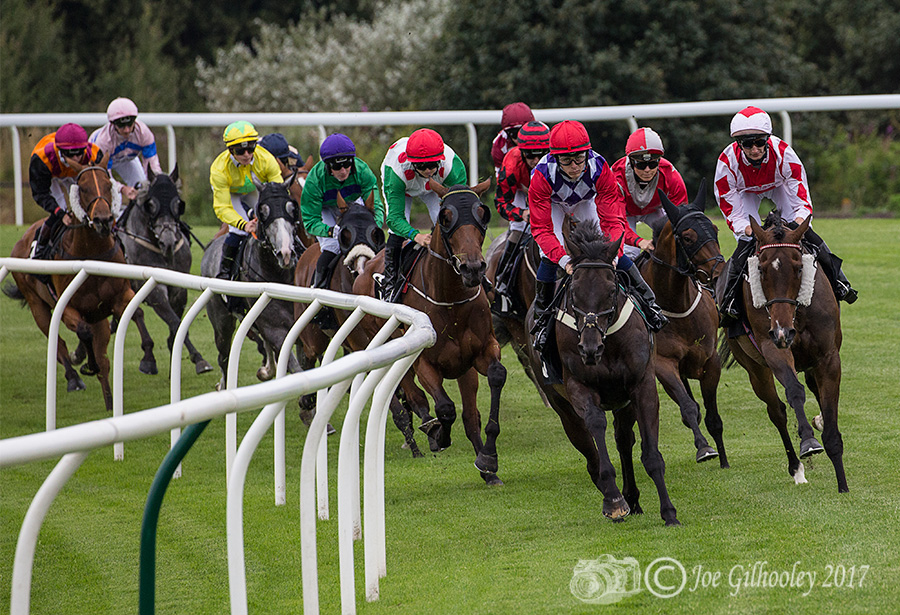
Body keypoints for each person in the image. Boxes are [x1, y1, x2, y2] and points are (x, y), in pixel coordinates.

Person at [529, 120, 668, 351]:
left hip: (586, 201)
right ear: (555, 158)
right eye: (566, 160)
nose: (574, 166)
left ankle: (650, 305)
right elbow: (542, 230)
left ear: (587, 153)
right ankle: (542, 322)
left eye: (579, 159)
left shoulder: (600, 167)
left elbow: (613, 220)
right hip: (553, 203)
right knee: (547, 255)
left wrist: (613, 254)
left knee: (605, 248)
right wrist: (565, 261)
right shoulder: (541, 176)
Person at [715, 106, 858, 325]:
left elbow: (801, 198)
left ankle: (839, 280)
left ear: (768, 139)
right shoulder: (726, 163)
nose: (754, 149)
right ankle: (729, 301)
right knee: (747, 241)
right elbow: (731, 209)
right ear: (738, 144)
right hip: (745, 194)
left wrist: (797, 225)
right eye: (747, 144)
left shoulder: (784, 154)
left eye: (760, 142)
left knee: (805, 233)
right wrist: (749, 229)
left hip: (779, 186)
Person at [379, 128, 468, 301]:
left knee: (449, 222)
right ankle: (389, 283)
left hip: (437, 187)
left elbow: (460, 208)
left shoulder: (452, 167)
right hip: (404, 188)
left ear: (440, 160)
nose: (428, 171)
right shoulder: (395, 171)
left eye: (433, 165)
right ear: (413, 164)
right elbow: (394, 219)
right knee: (396, 232)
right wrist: (416, 236)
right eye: (422, 166)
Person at [300, 133, 384, 291]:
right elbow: (310, 222)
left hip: (355, 205)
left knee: (374, 242)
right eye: (337, 167)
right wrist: (331, 231)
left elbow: (377, 207)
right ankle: (318, 286)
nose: (343, 171)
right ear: (327, 166)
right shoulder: (314, 180)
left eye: (347, 164)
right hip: (326, 209)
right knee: (332, 246)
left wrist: (373, 228)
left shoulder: (363, 171)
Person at [209, 120, 282, 280]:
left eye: (251, 149)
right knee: (239, 229)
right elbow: (222, 208)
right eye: (240, 151)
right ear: (230, 150)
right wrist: (244, 224)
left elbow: (279, 192)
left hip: (253, 189)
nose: (247, 155)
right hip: (232, 193)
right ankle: (225, 272)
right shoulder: (219, 169)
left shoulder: (266, 159)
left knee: (276, 219)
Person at [28, 123, 106, 261]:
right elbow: (40, 194)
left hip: (78, 173)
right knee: (62, 211)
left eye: (79, 153)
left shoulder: (94, 155)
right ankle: (38, 250)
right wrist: (59, 212)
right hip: (52, 173)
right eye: (71, 154)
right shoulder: (41, 159)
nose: (76, 158)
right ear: (60, 150)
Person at [611, 127, 688, 260]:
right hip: (625, 214)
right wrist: (639, 241)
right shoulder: (615, 177)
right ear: (631, 162)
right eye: (641, 165)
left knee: (678, 241)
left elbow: (681, 215)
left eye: (652, 164)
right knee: (630, 253)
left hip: (653, 210)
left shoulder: (671, 175)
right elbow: (615, 222)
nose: (647, 170)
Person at [492, 120, 550, 296]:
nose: (536, 160)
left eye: (540, 155)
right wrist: (522, 213)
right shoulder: (511, 162)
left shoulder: (556, 160)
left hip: (550, 191)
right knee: (518, 230)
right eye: (530, 156)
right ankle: (501, 280)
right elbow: (501, 203)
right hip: (521, 190)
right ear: (521, 151)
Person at [89, 97, 161, 198]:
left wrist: (158, 183)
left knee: (142, 190)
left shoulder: (144, 133)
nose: (126, 130)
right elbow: (103, 176)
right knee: (115, 196)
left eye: (130, 124)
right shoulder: (103, 141)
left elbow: (152, 165)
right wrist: (122, 188)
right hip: (100, 162)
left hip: (127, 159)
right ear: (113, 124)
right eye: (121, 126)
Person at [491, 102, 535, 176]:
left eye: (524, 132)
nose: (521, 139)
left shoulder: (545, 135)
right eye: (515, 134)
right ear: (507, 133)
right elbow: (501, 179)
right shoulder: (499, 144)